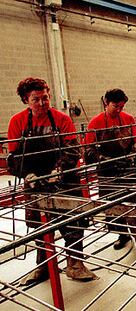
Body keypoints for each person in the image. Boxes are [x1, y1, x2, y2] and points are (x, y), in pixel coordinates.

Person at [7, 77, 97, 284]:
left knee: (73, 222)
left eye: (45, 98)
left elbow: (74, 150)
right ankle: (44, 267)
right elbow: (13, 157)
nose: (41, 103)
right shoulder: (17, 122)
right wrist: (27, 174)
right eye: (35, 99)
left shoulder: (61, 119)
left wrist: (59, 170)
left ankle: (75, 265)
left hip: (65, 180)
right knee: (40, 225)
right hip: (34, 180)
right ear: (25, 100)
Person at [84, 89, 136, 253]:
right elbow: (88, 151)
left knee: (132, 204)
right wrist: (104, 160)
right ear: (106, 103)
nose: (119, 110)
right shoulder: (95, 123)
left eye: (122, 106)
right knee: (113, 206)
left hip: (127, 169)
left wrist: (134, 154)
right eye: (115, 106)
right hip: (107, 171)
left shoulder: (129, 119)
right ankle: (122, 234)